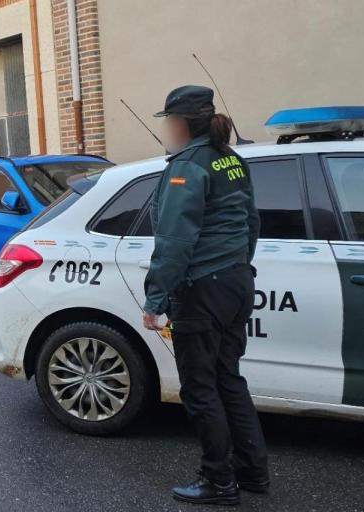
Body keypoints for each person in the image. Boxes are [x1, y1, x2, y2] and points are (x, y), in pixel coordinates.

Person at [141, 85, 268, 506]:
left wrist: (155, 300)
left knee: (200, 388)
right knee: (228, 377)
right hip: (236, 281)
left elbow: (176, 240)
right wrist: (236, 265)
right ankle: (252, 472)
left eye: (167, 121)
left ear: (181, 124)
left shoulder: (187, 167)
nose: (164, 128)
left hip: (201, 290)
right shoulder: (230, 159)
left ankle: (219, 481)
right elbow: (251, 222)